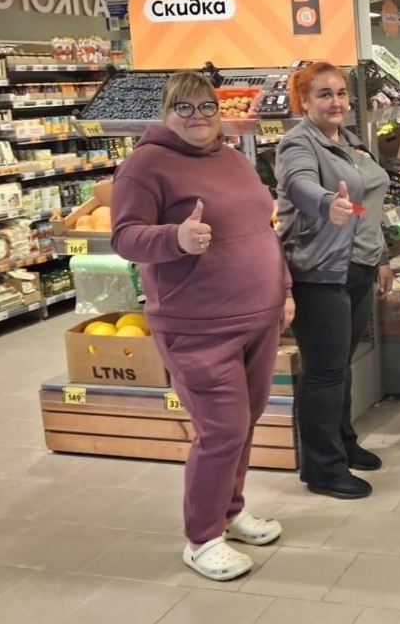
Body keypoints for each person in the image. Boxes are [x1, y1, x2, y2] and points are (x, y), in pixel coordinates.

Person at [111, 71, 293, 582]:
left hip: (258, 318)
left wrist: (284, 289)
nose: (198, 117)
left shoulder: (233, 159)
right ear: (166, 112)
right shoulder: (145, 165)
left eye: (207, 106)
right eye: (185, 107)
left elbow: (263, 229)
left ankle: (230, 512)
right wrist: (175, 238)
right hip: (196, 326)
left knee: (245, 422)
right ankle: (202, 538)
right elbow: (125, 237)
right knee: (222, 430)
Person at [276, 61, 394, 500]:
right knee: (324, 372)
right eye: (324, 94)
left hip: (359, 265)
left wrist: (381, 256)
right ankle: (322, 469)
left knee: (340, 365)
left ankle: (343, 443)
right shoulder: (298, 142)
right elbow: (299, 184)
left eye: (341, 93)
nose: (336, 102)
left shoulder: (349, 140)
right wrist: (326, 203)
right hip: (320, 270)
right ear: (304, 101)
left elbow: (367, 207)